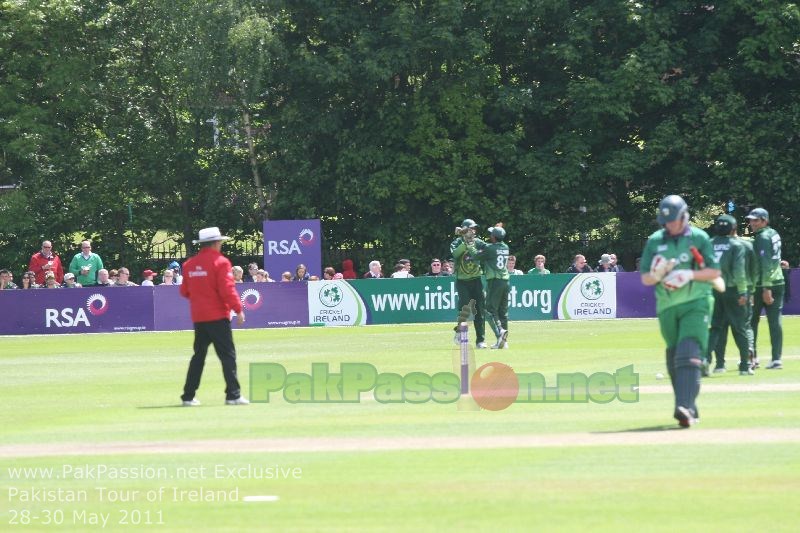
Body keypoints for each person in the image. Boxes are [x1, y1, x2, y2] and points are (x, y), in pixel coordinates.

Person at [640, 195, 720, 428]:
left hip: (697, 301)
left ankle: (683, 406)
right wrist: (656, 275)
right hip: (666, 305)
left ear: (684, 216)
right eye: (667, 222)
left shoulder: (699, 237)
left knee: (688, 349)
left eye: (674, 221)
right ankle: (688, 407)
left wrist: (689, 275)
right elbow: (645, 277)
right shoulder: (655, 240)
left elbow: (714, 272)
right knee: (675, 354)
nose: (670, 226)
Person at [180, 227, 248, 406]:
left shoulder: (189, 265)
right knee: (227, 355)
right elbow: (227, 289)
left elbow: (184, 291)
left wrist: (200, 300)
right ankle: (233, 395)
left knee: (198, 356)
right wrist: (238, 309)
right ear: (216, 243)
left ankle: (188, 396)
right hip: (218, 316)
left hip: (199, 317)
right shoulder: (221, 262)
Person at [706, 215, 751, 375]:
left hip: (713, 289)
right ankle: (745, 366)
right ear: (733, 228)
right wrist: (743, 291)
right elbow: (739, 271)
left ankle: (714, 363)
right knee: (740, 328)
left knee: (716, 327)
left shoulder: (709, 244)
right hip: (732, 290)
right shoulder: (736, 245)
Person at [746, 208, 784, 369]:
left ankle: (752, 359)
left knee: (751, 322)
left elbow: (765, 263)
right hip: (779, 281)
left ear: (764, 221)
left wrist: (765, 288)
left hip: (764, 284)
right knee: (775, 322)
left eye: (756, 220)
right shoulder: (774, 233)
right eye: (751, 220)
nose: (752, 223)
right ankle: (776, 359)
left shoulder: (762, 237)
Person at [450, 218, 487, 348]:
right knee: (464, 310)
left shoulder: (478, 242)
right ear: (465, 229)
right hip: (462, 281)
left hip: (476, 280)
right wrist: (465, 242)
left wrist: (472, 244)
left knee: (480, 311)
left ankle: (480, 340)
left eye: (474, 229)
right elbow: (455, 254)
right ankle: (461, 334)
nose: (473, 231)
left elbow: (484, 253)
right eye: (471, 228)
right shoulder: (457, 242)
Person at [472, 225, 510, 349]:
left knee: (489, 309)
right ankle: (504, 342)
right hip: (505, 281)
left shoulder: (490, 249)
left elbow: (475, 256)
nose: (490, 236)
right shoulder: (505, 247)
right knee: (502, 312)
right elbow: (489, 247)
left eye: (491, 235)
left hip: (495, 281)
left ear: (493, 237)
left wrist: (472, 242)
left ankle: (500, 332)